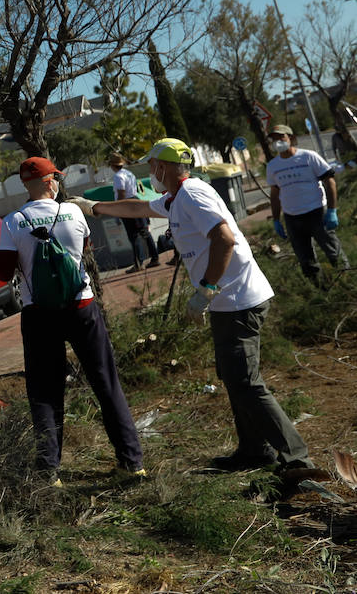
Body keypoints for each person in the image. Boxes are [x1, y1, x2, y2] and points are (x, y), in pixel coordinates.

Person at [75, 138, 314, 473]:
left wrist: (206, 289)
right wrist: (94, 207)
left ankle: (297, 459)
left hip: (236, 299)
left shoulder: (193, 194)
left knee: (245, 381)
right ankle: (254, 451)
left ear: (165, 166)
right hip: (228, 301)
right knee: (235, 378)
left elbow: (225, 238)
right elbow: (138, 208)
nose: (151, 171)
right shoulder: (175, 199)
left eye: (153, 165)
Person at [0, 157, 144, 483]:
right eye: (54, 178)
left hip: (39, 315)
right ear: (47, 181)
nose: (57, 183)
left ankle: (49, 471)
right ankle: (132, 461)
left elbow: (4, 272)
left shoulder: (12, 222)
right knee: (105, 383)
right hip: (82, 307)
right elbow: (85, 249)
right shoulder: (72, 212)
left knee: (44, 391)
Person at [265, 124, 349, 286]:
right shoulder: (273, 166)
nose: (278, 142)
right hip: (292, 218)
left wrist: (332, 210)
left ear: (291, 138)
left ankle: (346, 282)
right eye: (274, 140)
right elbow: (275, 195)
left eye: (281, 138)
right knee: (306, 260)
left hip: (316, 212)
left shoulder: (308, 157)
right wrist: (276, 220)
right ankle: (319, 291)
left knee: (333, 252)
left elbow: (330, 182)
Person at [108, 152, 160, 272]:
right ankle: (155, 258)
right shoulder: (129, 173)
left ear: (113, 166)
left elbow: (121, 193)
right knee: (145, 232)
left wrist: (118, 210)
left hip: (127, 204)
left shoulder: (118, 177)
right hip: (136, 201)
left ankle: (138, 263)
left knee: (133, 235)